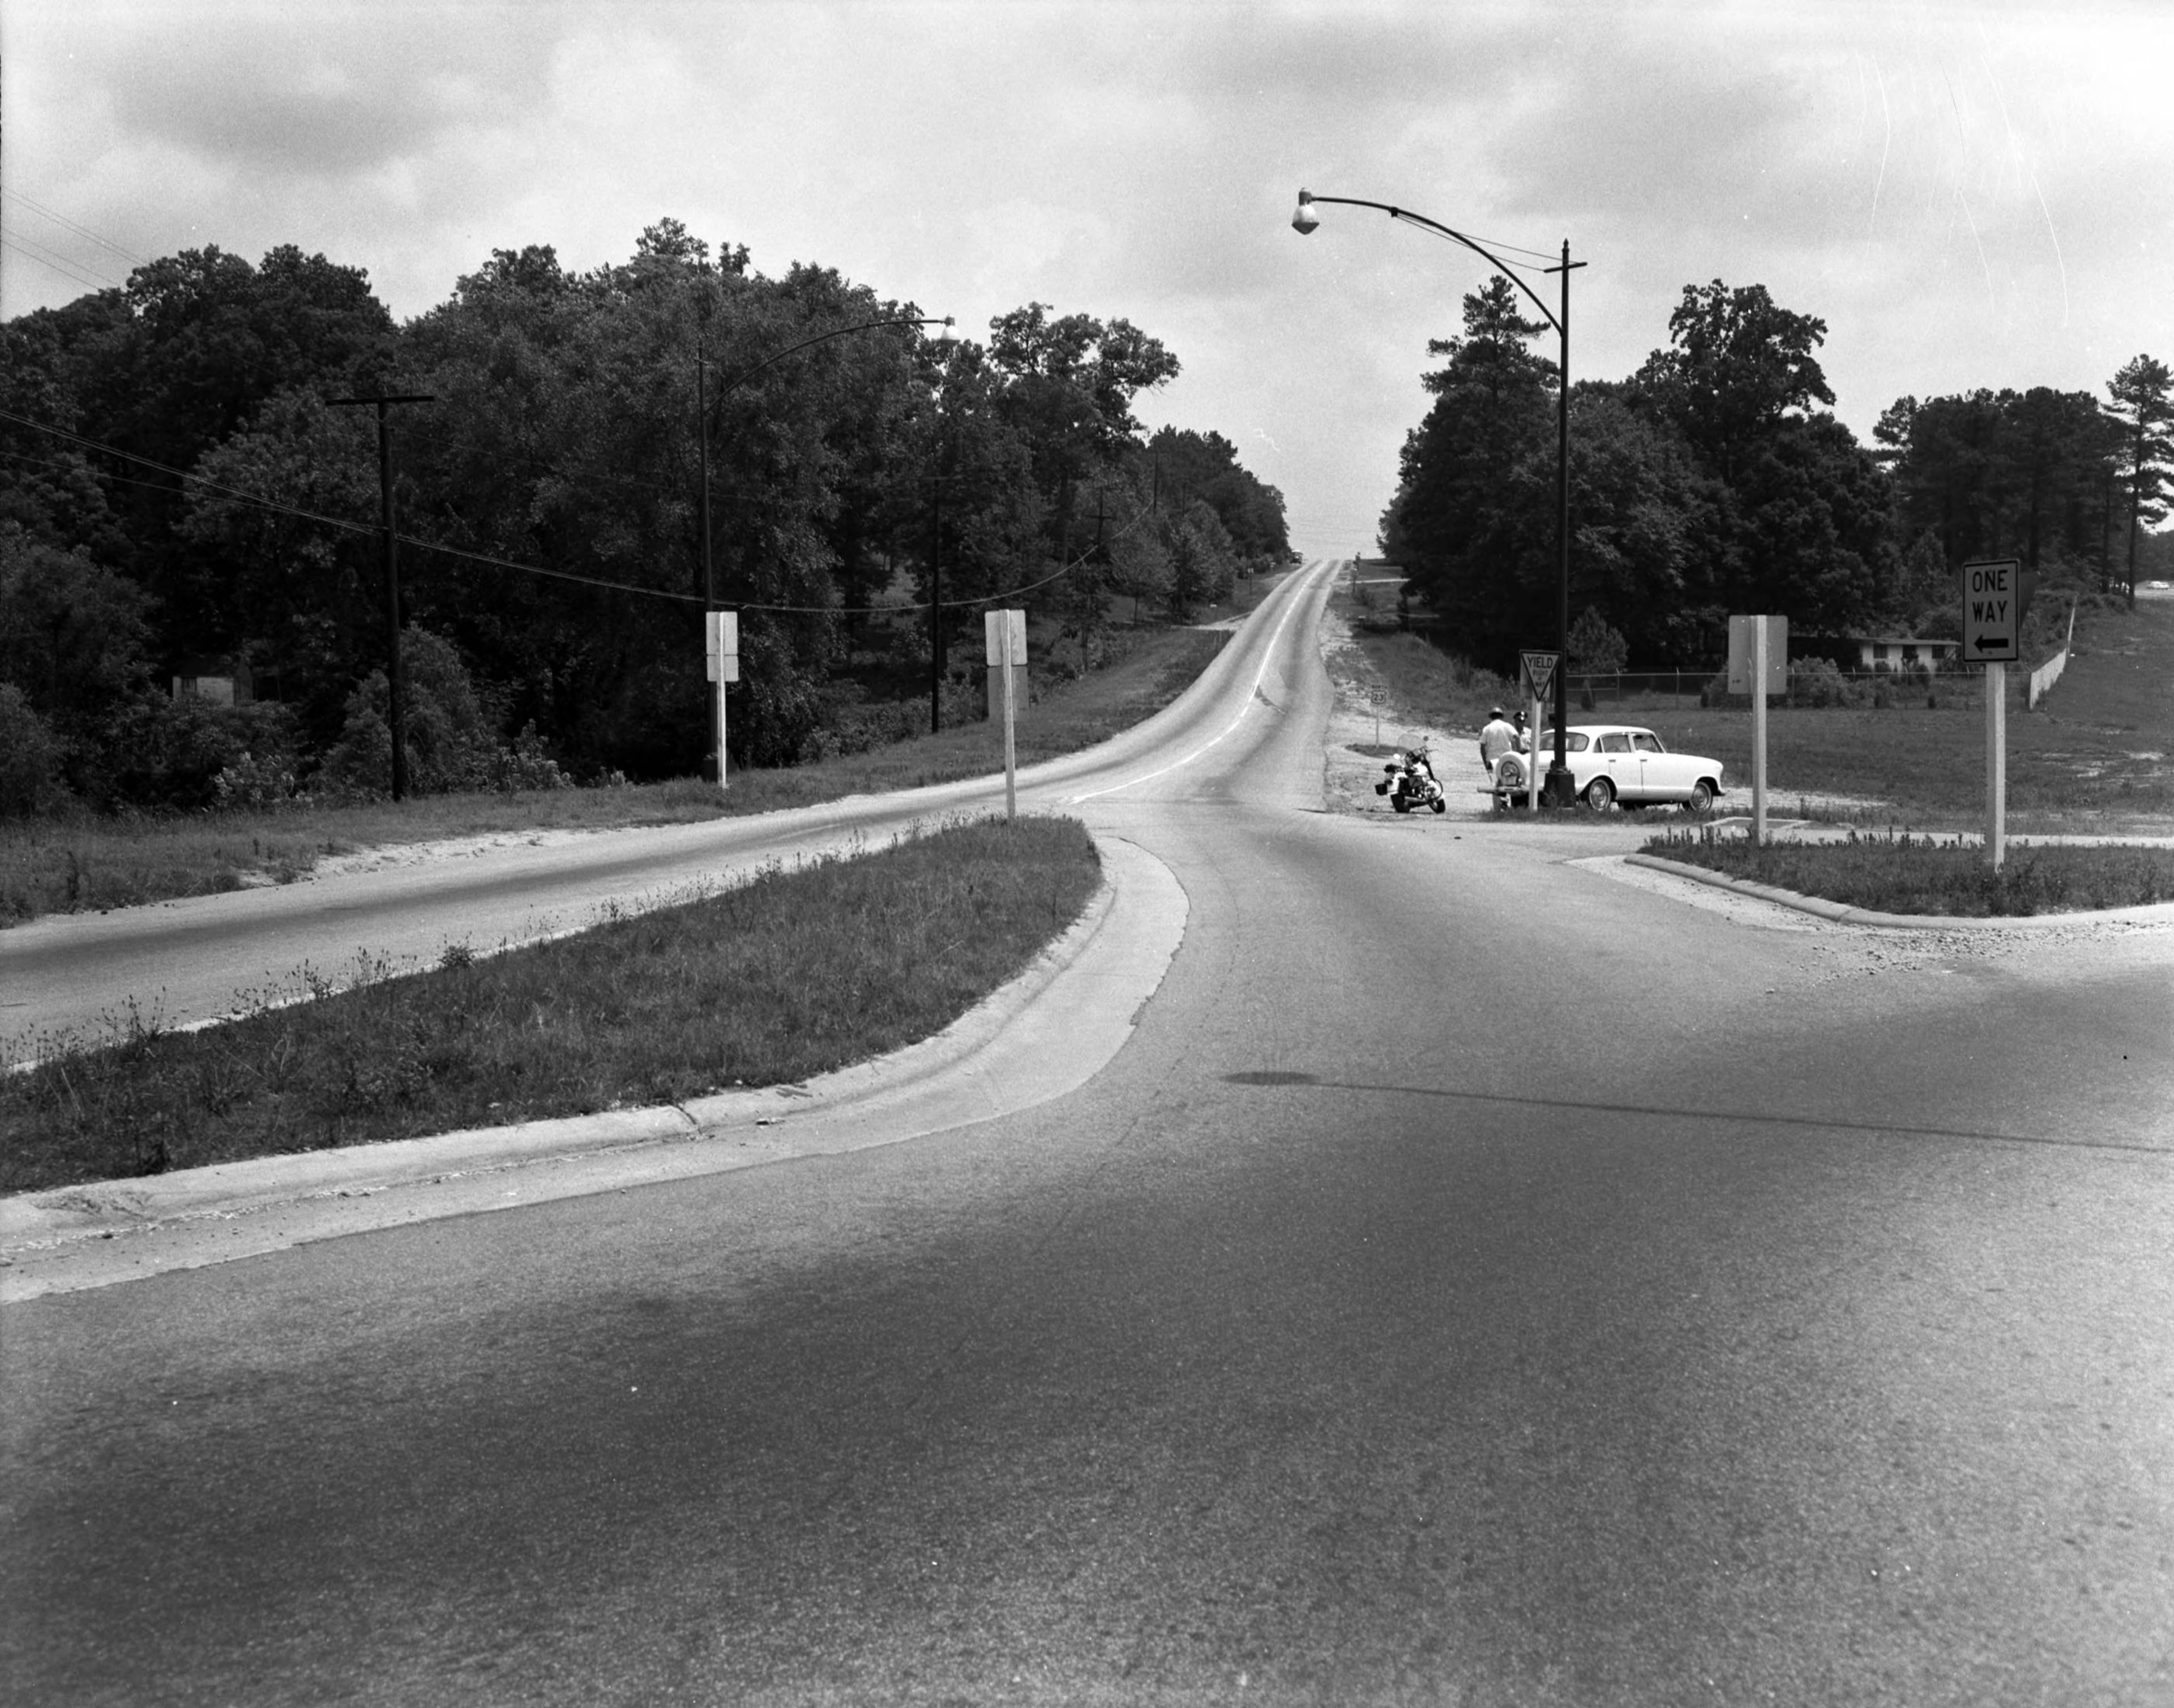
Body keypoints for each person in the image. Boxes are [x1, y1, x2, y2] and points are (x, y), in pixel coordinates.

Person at [1478, 706, 1520, 772]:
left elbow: (1482, 747)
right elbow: (1517, 737)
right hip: (1506, 760)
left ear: (1491, 717)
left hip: (1492, 760)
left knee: (1494, 778)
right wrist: (1518, 753)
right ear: (1501, 717)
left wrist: (1486, 763)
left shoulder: (1487, 729)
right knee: (1507, 778)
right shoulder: (1507, 726)